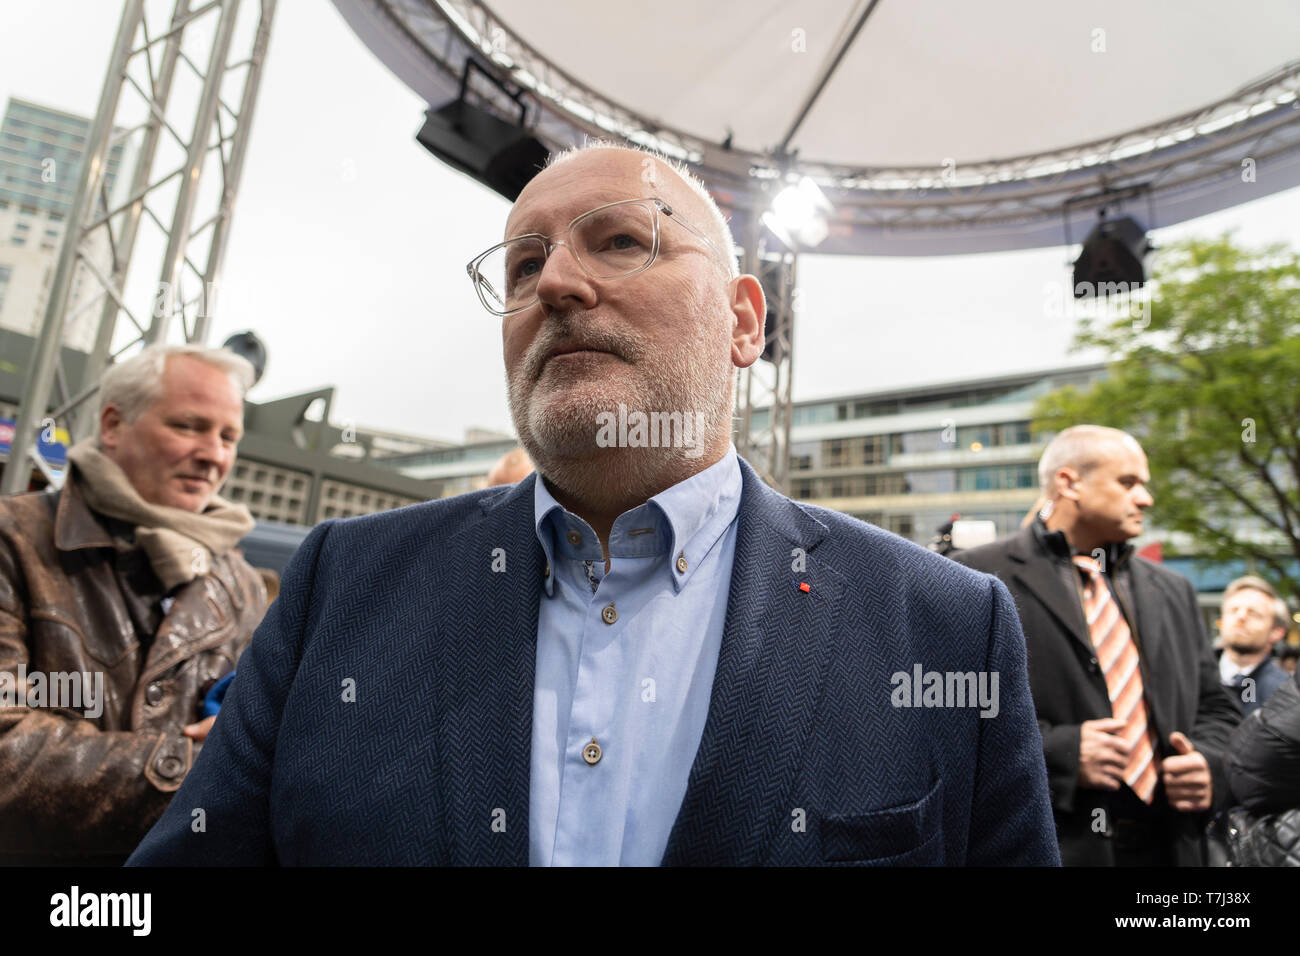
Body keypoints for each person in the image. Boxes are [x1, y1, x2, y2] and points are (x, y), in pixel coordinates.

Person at [128, 142, 1058, 866]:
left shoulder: (943, 624)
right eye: (525, 265)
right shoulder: (345, 583)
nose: (559, 284)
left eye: (621, 240)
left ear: (743, 320)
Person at [0, 344, 268, 864]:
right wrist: (206, 767)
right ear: (113, 425)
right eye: (189, 426)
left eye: (228, 436)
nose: (214, 455)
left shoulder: (241, 583)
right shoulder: (14, 540)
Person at [953, 425, 1242, 865]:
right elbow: (945, 713)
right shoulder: (976, 577)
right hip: (1055, 843)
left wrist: (1210, 763)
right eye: (1128, 482)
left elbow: (1215, 706)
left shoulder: (1173, 589)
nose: (1145, 498)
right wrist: (1060, 753)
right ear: (1069, 483)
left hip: (1173, 845)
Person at [1216, 576, 1291, 715]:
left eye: (1254, 614)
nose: (1241, 616)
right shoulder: (1190, 676)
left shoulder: (1286, 694)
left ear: (1277, 632)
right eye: (1233, 610)